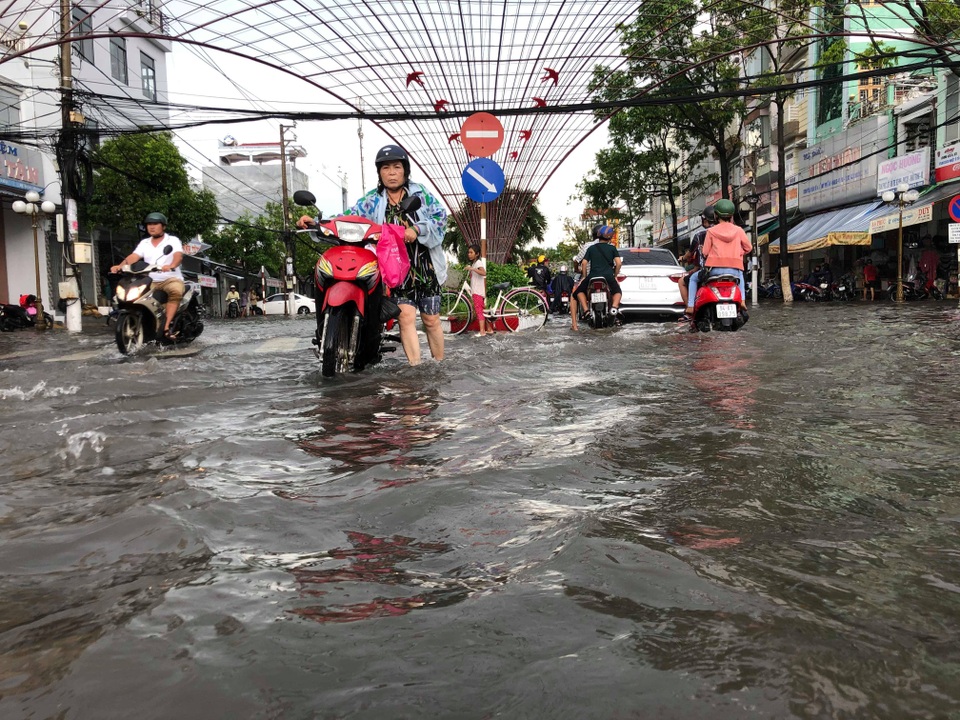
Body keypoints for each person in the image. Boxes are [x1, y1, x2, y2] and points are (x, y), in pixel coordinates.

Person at [297, 144, 448, 366]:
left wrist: (416, 230)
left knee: (431, 320)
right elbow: (348, 217)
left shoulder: (421, 193)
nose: (392, 172)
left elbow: (440, 218)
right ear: (379, 173)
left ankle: (439, 364)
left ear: (405, 170)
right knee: (405, 317)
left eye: (397, 167)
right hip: (394, 269)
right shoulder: (373, 200)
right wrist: (317, 222)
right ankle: (417, 370)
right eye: (386, 168)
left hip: (425, 266)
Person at [110, 212, 184, 339]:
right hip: (150, 280)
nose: (152, 227)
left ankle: (166, 327)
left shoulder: (172, 240)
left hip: (170, 278)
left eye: (155, 224)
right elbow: (134, 256)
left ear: (164, 226)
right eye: (149, 224)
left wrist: (171, 265)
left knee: (175, 291)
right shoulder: (144, 243)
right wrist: (120, 266)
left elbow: (178, 255)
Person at [685, 199, 751, 316]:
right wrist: (738, 253)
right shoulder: (739, 230)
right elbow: (748, 248)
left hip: (714, 270)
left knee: (693, 279)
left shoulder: (711, 231)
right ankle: (742, 301)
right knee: (740, 275)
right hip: (734, 270)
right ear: (731, 215)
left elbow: (705, 252)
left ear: (716, 215)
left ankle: (690, 306)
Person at [572, 224, 622, 330]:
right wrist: (615, 274)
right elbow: (618, 263)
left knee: (579, 292)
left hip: (593, 276)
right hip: (608, 277)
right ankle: (614, 308)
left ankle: (586, 311)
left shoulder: (591, 248)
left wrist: (585, 276)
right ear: (610, 237)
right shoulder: (612, 248)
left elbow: (584, 263)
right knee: (618, 292)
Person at [678, 206, 714, 308]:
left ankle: (690, 309)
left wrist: (683, 258)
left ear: (705, 220)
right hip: (730, 270)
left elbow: (690, 254)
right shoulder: (730, 232)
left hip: (708, 271)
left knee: (684, 281)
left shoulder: (700, 235)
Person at [466, 244, 493, 336]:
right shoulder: (474, 263)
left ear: (477, 254)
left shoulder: (478, 263)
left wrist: (472, 269)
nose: (469, 254)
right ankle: (489, 329)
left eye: (471, 252)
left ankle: (482, 331)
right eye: (468, 252)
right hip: (476, 291)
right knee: (481, 311)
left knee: (479, 311)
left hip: (478, 291)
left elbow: (483, 272)